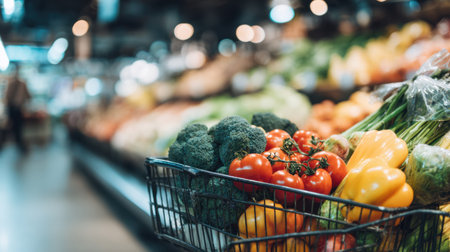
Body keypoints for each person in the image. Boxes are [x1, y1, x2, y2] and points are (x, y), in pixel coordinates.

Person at [4, 65, 31, 151]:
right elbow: (28, 96)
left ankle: (18, 142)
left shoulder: (12, 83)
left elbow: (7, 97)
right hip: (16, 108)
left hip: (14, 108)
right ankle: (18, 142)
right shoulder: (20, 83)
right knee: (18, 126)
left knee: (16, 126)